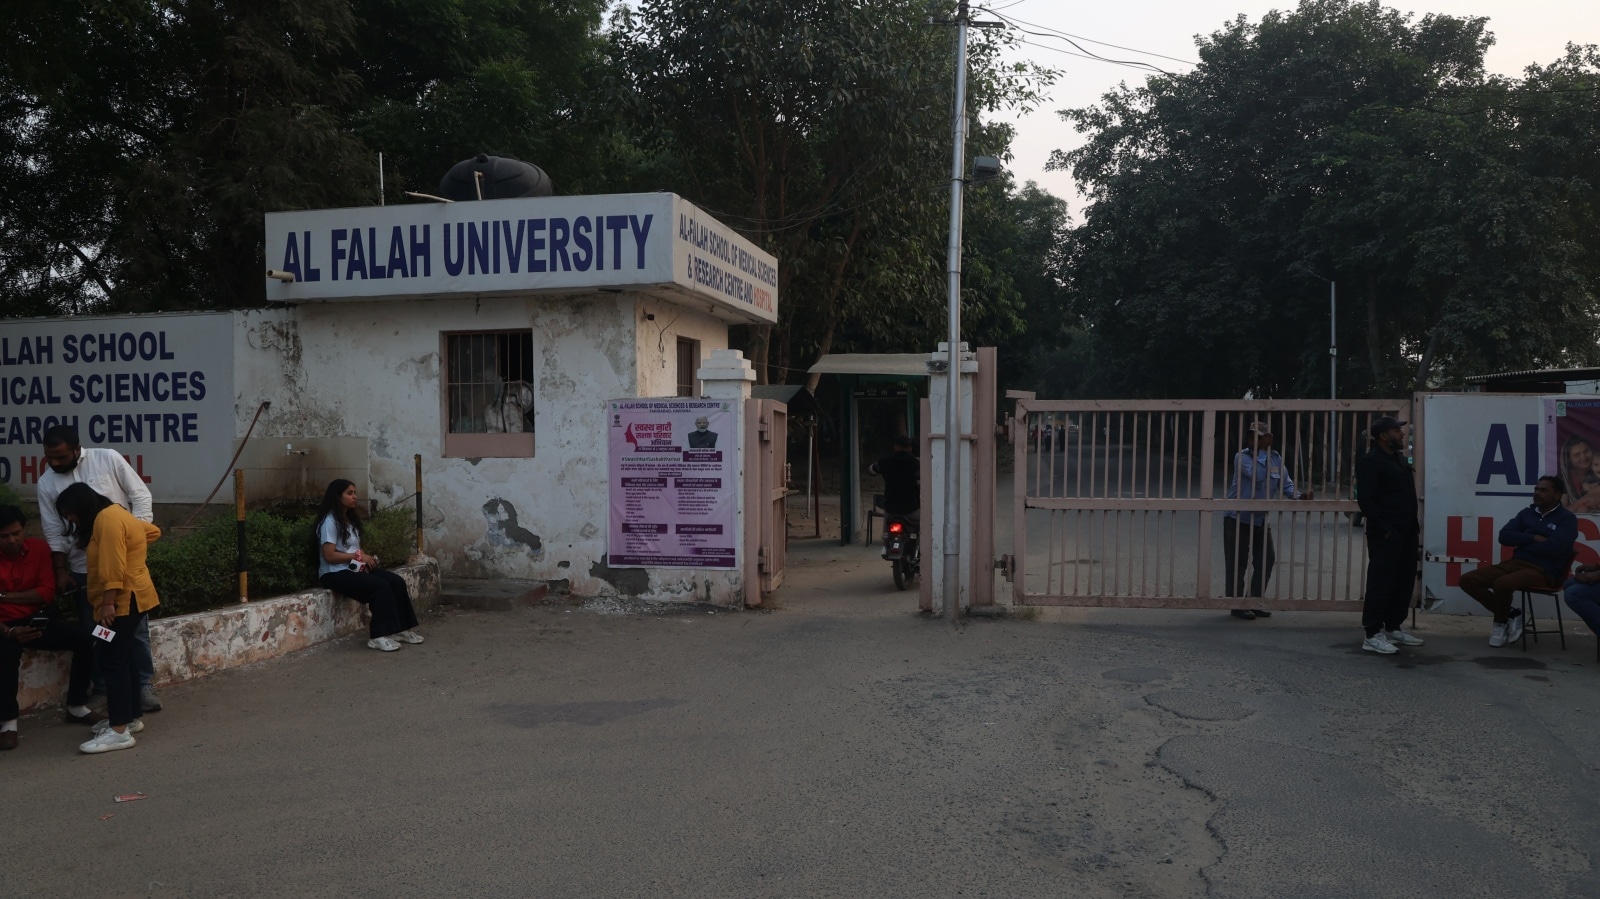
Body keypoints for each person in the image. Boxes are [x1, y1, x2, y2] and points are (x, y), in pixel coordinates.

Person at [36, 424, 163, 711]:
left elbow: (140, 497)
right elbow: (54, 531)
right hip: (84, 570)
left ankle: (139, 691)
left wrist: (131, 538)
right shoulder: (46, 483)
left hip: (122, 578)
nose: (54, 463)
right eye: (49, 457)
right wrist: (60, 570)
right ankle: (109, 690)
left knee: (129, 636)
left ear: (76, 449)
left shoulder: (107, 460)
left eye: (60, 457)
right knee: (97, 633)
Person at [54, 483, 161, 754]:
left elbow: (113, 566)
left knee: (112, 660)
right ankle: (130, 718)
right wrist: (133, 549)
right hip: (134, 596)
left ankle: (119, 731)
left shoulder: (107, 519)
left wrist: (107, 604)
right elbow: (152, 531)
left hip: (122, 602)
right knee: (123, 657)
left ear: (81, 506)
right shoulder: (118, 514)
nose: (71, 519)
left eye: (70, 514)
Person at [0, 505, 103, 750]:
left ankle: (77, 706)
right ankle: (8, 723)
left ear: (24, 530)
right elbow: (36, 594)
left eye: (16, 533)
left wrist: (3, 596)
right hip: (4, 626)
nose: (12, 540)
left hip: (39, 620)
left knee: (86, 640)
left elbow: (46, 593)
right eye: (4, 536)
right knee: (4, 656)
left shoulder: (38, 549)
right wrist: (9, 632)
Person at [1459, 476, 1578, 647]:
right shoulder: (1527, 513)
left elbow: (1555, 549)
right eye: (1536, 489)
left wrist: (1522, 544)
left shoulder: (1566, 519)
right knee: (1467, 580)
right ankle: (1512, 614)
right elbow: (1504, 536)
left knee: (1502, 584)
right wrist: (1533, 538)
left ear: (1558, 495)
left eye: (1544, 490)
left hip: (1545, 571)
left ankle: (1499, 623)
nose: (1537, 493)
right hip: (1516, 564)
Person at [315, 479, 423, 652]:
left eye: (355, 493)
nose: (355, 497)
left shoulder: (349, 520)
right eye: (349, 493)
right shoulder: (329, 521)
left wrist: (364, 561)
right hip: (334, 574)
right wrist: (358, 557)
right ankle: (378, 636)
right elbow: (329, 556)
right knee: (380, 586)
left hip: (352, 568)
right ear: (337, 496)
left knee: (396, 582)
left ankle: (400, 630)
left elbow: (355, 548)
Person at [1222, 421, 1312, 620]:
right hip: (1238, 517)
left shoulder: (1276, 458)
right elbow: (1259, 476)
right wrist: (1262, 452)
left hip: (1260, 519)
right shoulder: (1242, 457)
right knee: (1238, 563)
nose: (1252, 440)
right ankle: (1236, 605)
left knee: (1266, 559)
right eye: (1251, 437)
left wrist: (1300, 496)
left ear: (1268, 438)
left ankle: (1253, 601)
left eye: (1258, 437)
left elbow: (1286, 484)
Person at [1354, 416, 1426, 654]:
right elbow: (1366, 500)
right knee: (1381, 583)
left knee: (1404, 581)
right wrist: (1385, 530)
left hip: (1407, 532)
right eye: (1397, 430)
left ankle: (1393, 627)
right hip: (1386, 534)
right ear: (1384, 435)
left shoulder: (1398, 458)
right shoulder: (1371, 462)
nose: (1402, 434)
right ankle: (1372, 634)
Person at [869, 436, 920, 524]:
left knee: (887, 525)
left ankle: (887, 533)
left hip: (891, 507)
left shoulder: (885, 461)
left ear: (896, 447)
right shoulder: (917, 463)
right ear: (910, 448)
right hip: (911, 508)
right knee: (917, 525)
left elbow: (871, 471)